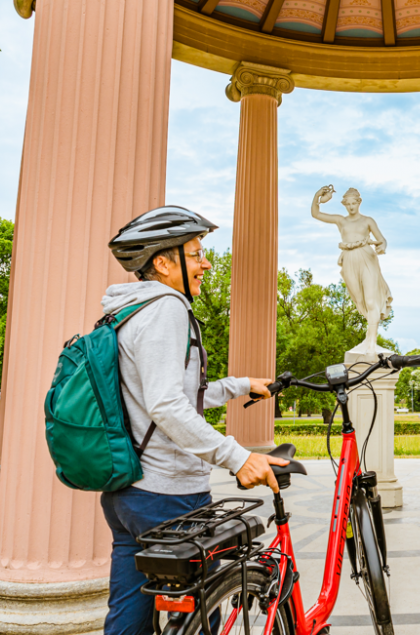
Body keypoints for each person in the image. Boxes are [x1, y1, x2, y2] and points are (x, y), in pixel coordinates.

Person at [101, 205, 288, 635]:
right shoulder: (167, 308)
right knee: (205, 612)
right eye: (196, 254)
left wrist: (238, 385)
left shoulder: (127, 309)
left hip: (128, 494)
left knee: (128, 614)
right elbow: (166, 405)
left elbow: (162, 393)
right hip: (169, 495)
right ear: (163, 263)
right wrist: (237, 457)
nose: (206, 263)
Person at [311, 185, 392, 354]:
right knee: (359, 300)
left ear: (359, 202)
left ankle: (372, 341)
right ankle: (369, 336)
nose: (351, 206)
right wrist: (318, 196)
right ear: (344, 205)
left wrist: (382, 246)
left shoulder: (368, 221)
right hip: (349, 259)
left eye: (353, 203)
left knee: (370, 301)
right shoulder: (341, 221)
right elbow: (316, 214)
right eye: (347, 204)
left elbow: (381, 239)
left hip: (366, 257)